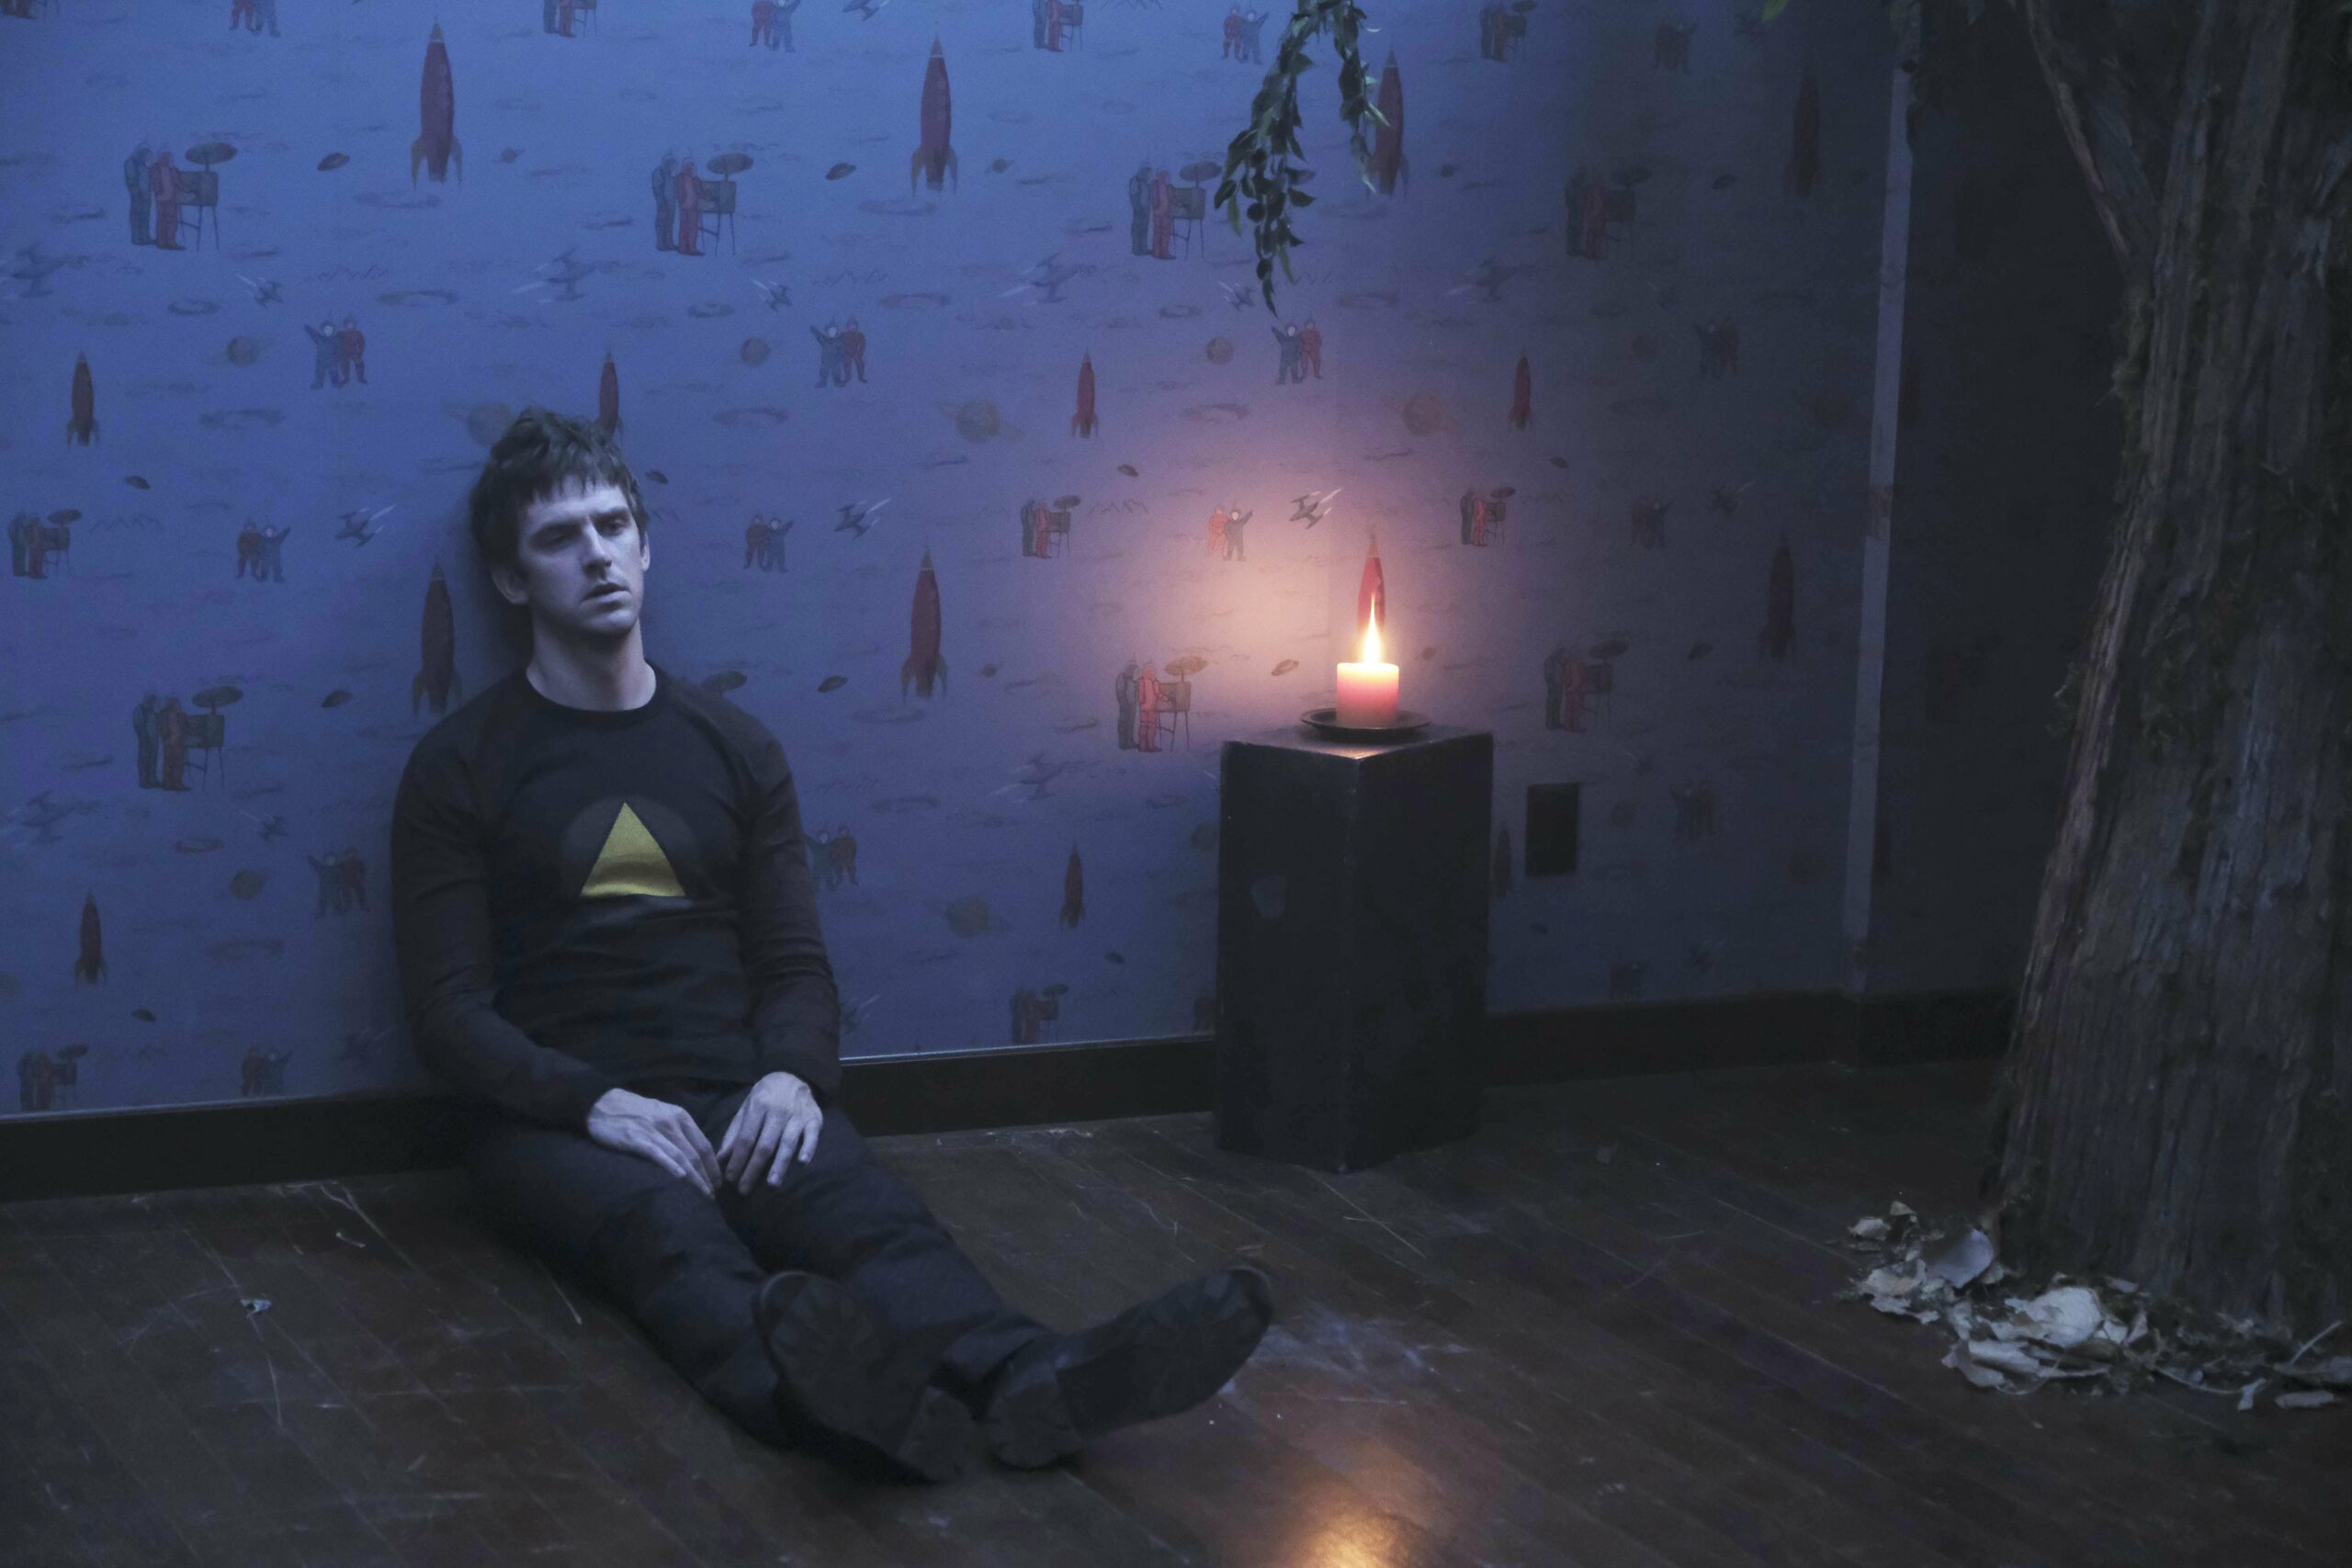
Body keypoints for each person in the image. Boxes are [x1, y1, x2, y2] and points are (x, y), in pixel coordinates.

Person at [391, 408, 1272, 1483]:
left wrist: (791, 1078)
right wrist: (595, 1104)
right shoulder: (461, 766)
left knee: (871, 1222)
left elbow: (793, 963)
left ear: (646, 544)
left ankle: (1034, 1378)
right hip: (559, 1121)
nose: (597, 555)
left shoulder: (733, 747)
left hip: (734, 1088)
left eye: (613, 526)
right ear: (511, 580)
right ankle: (827, 1405)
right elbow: (448, 1016)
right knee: (669, 1235)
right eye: (558, 538)